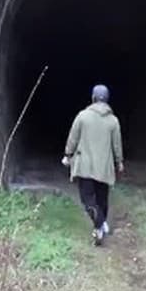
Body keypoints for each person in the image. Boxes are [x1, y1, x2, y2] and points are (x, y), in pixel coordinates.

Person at [62, 84, 123, 246]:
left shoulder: (82, 116)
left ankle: (99, 224)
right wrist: (119, 161)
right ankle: (101, 224)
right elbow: (116, 144)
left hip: (85, 167)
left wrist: (68, 154)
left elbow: (73, 138)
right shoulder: (113, 121)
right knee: (102, 198)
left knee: (88, 199)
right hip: (104, 167)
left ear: (93, 98)